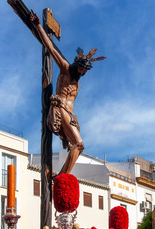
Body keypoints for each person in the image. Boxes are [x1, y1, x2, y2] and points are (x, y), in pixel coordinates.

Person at [30, 11, 106, 174]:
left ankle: (62, 175)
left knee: (80, 147)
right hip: (61, 110)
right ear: (76, 64)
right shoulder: (65, 68)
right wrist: (38, 25)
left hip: (71, 115)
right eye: (81, 68)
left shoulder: (77, 82)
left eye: (85, 70)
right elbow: (50, 47)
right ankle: (63, 177)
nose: (82, 72)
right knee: (79, 144)